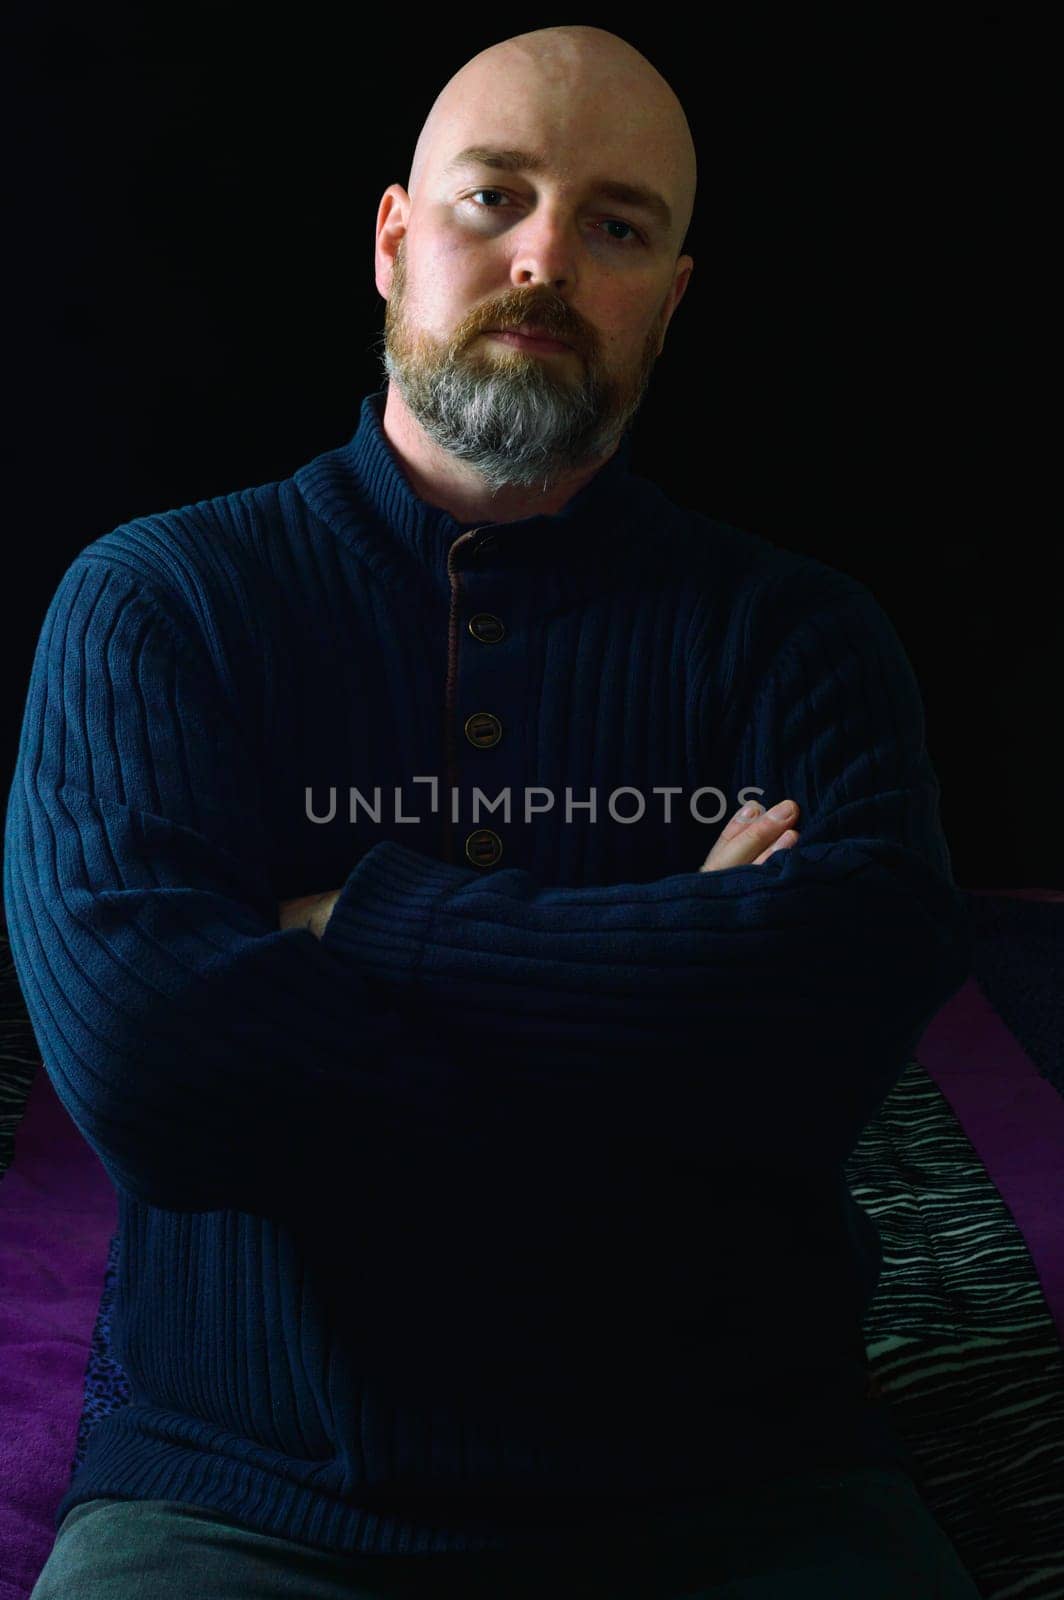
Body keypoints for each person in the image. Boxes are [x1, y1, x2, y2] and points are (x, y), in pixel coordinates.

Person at [7, 24, 981, 1600]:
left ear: (668, 300)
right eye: (492, 198)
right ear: (394, 240)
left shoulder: (797, 633)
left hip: (740, 1480)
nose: (543, 256)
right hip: (248, 1487)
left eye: (615, 225)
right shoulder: (159, 600)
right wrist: (675, 957)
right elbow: (148, 1060)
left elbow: (831, 1023)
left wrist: (346, 924)